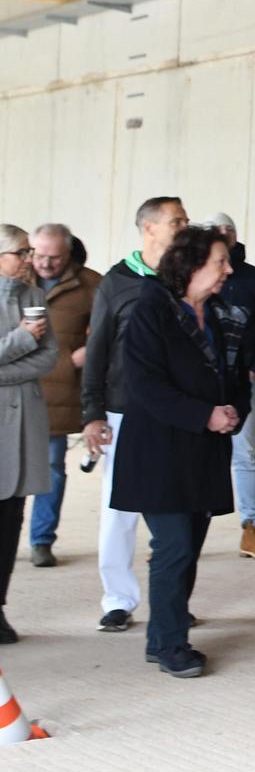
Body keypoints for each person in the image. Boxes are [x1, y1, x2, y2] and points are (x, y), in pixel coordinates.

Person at [112, 226, 249, 678]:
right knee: (172, 547)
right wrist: (204, 414)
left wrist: (232, 412)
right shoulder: (151, 308)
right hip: (158, 452)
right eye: (220, 262)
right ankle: (172, 645)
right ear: (191, 266)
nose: (228, 270)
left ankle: (160, 639)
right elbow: (145, 385)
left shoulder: (224, 313)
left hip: (203, 453)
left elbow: (238, 372)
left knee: (188, 548)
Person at [82, 195, 189, 632]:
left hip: (177, 413)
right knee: (119, 512)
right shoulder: (118, 282)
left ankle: (171, 599)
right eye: (177, 220)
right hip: (124, 412)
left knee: (176, 512)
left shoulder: (184, 280)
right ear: (150, 229)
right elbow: (97, 350)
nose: (185, 226)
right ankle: (118, 599)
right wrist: (92, 413)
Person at [202, 214, 255, 562]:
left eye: (228, 230)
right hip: (200, 384)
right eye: (215, 231)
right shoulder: (190, 276)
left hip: (241, 381)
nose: (223, 234)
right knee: (198, 454)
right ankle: (188, 527)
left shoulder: (253, 279)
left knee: (244, 453)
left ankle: (252, 527)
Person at [27, 222, 99, 567]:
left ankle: (42, 540)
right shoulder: (14, 279)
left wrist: (82, 356)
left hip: (56, 393)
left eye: (53, 257)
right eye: (38, 254)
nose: (44, 263)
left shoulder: (91, 285)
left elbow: (109, 331)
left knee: (52, 469)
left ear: (68, 253)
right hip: (10, 387)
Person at [0, 227, 57, 641]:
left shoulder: (35, 297)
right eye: (21, 252)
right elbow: (32, 349)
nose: (29, 260)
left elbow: (50, 357)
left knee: (11, 519)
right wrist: (21, 339)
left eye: (30, 251)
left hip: (24, 423)